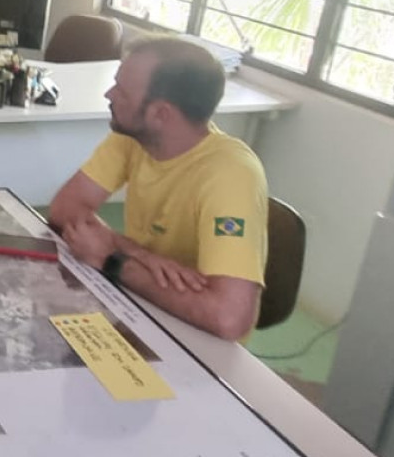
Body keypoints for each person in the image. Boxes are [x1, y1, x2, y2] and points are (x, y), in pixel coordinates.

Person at [46, 36, 267, 340]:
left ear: (161, 114)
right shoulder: (134, 136)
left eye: (122, 92)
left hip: (197, 339)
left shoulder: (230, 175)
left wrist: (112, 260)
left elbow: (229, 319)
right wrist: (140, 254)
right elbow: (65, 208)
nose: (109, 95)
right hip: (141, 306)